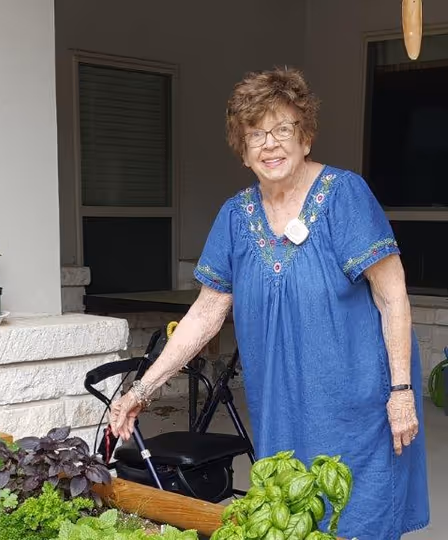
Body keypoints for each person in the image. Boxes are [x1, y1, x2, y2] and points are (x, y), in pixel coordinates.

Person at [107, 67, 430, 539]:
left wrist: (401, 392)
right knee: (290, 512)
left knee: (358, 517)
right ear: (242, 152)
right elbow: (206, 312)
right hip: (283, 405)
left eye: (282, 129)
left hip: (360, 403)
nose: (270, 144)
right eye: (254, 134)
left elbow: (391, 293)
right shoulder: (236, 217)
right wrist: (142, 390)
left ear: (306, 137)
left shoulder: (344, 195)